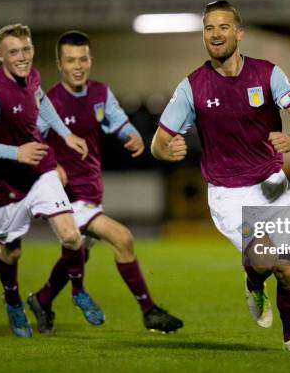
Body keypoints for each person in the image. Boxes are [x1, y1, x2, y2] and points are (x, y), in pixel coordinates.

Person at [151, 1, 290, 352]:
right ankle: (254, 283)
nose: (216, 34)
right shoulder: (192, 88)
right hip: (229, 193)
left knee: (287, 271)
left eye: (224, 26)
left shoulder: (268, 74)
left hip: (273, 187)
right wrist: (166, 150)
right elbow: (159, 142)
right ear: (203, 34)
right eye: (209, 28)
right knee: (263, 257)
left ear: (239, 32)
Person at [26, 30, 183, 334]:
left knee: (79, 251)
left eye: (83, 58)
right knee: (122, 238)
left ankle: (42, 299)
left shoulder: (100, 93)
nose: (78, 65)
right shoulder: (51, 102)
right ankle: (149, 310)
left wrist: (131, 135)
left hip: (91, 190)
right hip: (66, 197)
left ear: (90, 60)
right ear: (59, 63)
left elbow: (117, 120)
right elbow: (31, 142)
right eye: (70, 60)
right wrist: (52, 164)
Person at [0, 23, 89, 338]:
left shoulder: (32, 78)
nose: (22, 57)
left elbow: (42, 103)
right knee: (12, 251)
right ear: (0, 55)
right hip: (4, 181)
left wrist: (66, 134)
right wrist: (15, 153)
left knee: (72, 237)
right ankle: (14, 300)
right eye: (14, 52)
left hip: (38, 170)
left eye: (26, 49)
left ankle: (72, 293)